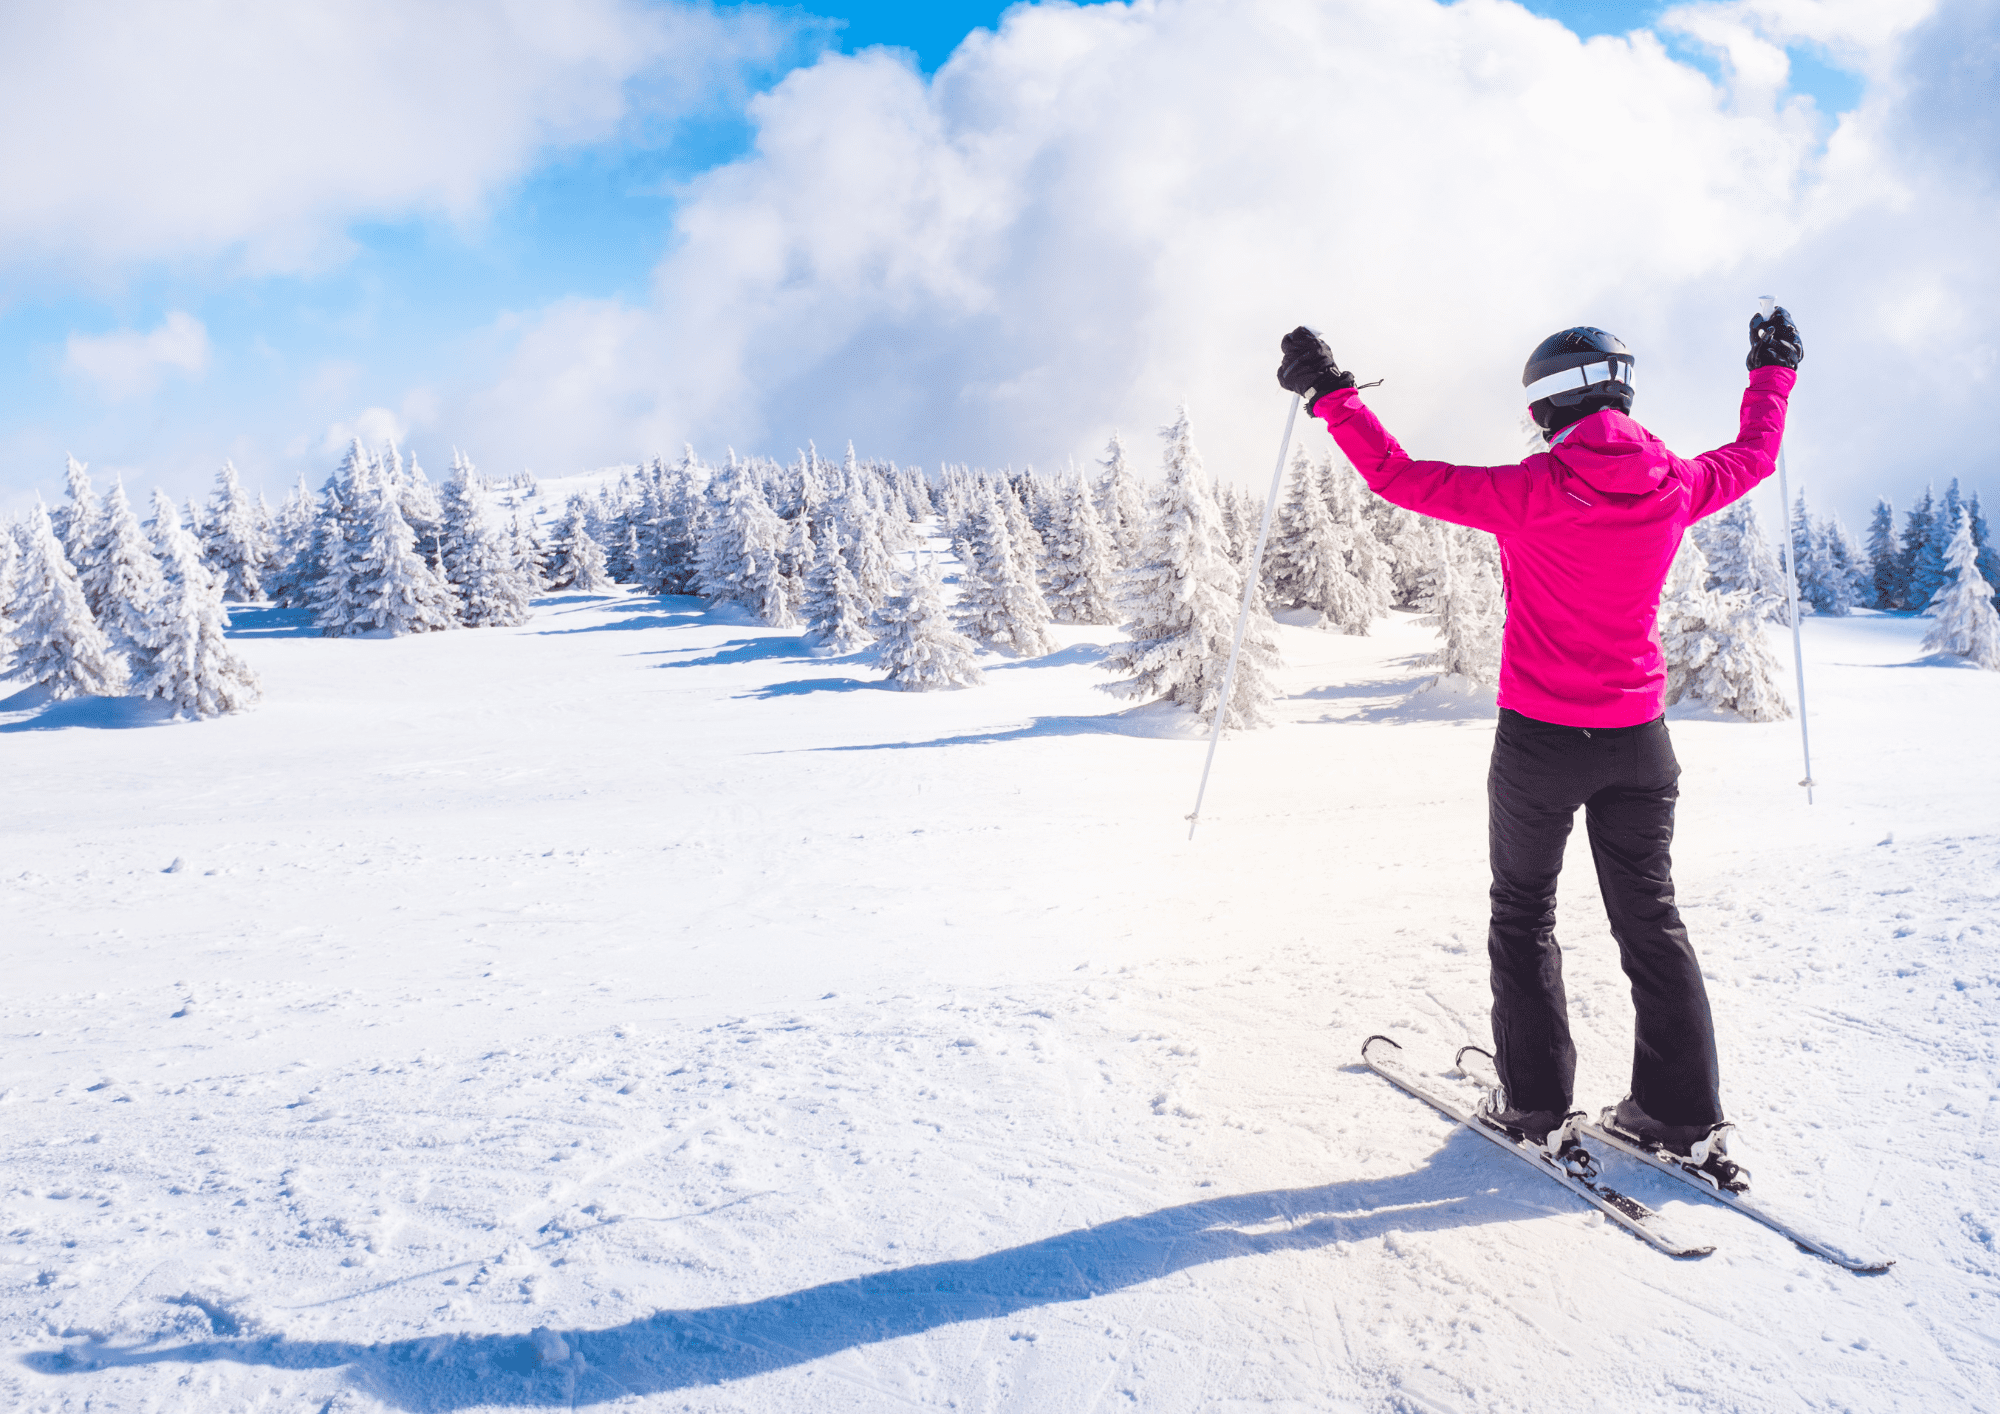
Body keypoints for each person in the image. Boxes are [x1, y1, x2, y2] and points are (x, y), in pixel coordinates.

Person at [1276, 311, 1803, 1178]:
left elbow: (1399, 477)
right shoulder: (1676, 482)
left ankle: (1534, 1108)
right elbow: (1754, 454)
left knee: (1523, 915)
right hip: (1640, 744)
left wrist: (1331, 395)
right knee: (1652, 918)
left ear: (1550, 408)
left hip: (1542, 745)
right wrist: (1773, 371)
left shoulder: (1531, 491)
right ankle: (1678, 1116)